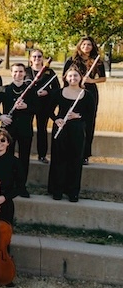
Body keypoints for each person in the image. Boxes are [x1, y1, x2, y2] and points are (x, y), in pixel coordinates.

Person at [49, 68, 94, 202]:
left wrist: (78, 115)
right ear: (66, 78)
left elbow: (90, 114)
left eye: (76, 75)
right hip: (61, 127)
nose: (73, 78)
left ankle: (72, 191)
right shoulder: (58, 93)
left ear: (80, 77)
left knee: (75, 160)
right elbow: (49, 110)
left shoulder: (87, 94)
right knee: (59, 159)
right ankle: (57, 190)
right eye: (70, 76)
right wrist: (56, 119)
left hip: (77, 129)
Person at [0, 63, 35, 198]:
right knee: (7, 158)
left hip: (25, 129)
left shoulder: (30, 90)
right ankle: (6, 185)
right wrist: (1, 116)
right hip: (8, 130)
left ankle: (21, 186)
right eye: (15, 72)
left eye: (21, 72)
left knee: (24, 158)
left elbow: (38, 108)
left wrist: (27, 106)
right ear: (11, 73)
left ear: (24, 73)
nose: (18, 74)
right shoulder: (4, 89)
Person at [63, 36, 106, 165]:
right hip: (74, 91)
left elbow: (103, 78)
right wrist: (75, 82)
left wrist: (92, 80)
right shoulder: (72, 60)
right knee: (72, 120)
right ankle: (70, 151)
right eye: (84, 44)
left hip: (90, 93)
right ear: (79, 46)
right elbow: (64, 76)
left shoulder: (97, 61)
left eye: (89, 45)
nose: (86, 47)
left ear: (92, 47)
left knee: (88, 122)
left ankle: (85, 154)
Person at [26, 49, 59, 163]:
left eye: (39, 56)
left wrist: (47, 92)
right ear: (30, 58)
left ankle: (42, 155)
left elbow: (57, 89)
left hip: (43, 105)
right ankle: (26, 154)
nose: (37, 58)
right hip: (28, 105)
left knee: (42, 130)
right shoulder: (26, 71)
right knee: (26, 130)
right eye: (34, 56)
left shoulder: (49, 72)